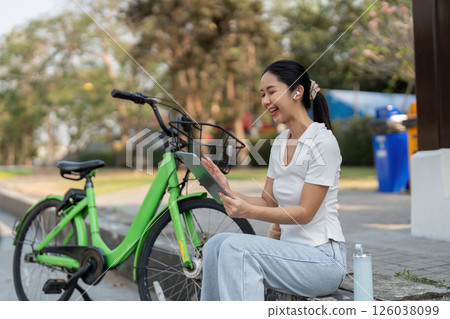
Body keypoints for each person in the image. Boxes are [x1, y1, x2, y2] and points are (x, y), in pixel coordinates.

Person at [199, 60, 346, 301]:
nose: (265, 101)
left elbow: (305, 212)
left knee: (238, 249)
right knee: (216, 245)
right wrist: (228, 192)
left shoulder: (323, 142)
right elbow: (268, 201)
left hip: (322, 260)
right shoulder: (280, 143)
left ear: (297, 92)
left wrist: (248, 211)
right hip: (289, 255)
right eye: (262, 94)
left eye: (271, 92)